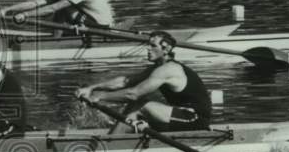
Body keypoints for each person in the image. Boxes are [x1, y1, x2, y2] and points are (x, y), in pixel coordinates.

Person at [75, 30, 212, 132]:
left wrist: (100, 97)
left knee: (140, 105)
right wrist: (92, 88)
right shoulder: (157, 68)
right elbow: (125, 81)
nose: (147, 48)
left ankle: (111, 143)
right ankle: (115, 138)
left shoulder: (169, 69)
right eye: (148, 45)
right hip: (180, 114)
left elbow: (133, 94)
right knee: (135, 105)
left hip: (195, 118)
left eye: (153, 45)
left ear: (166, 49)